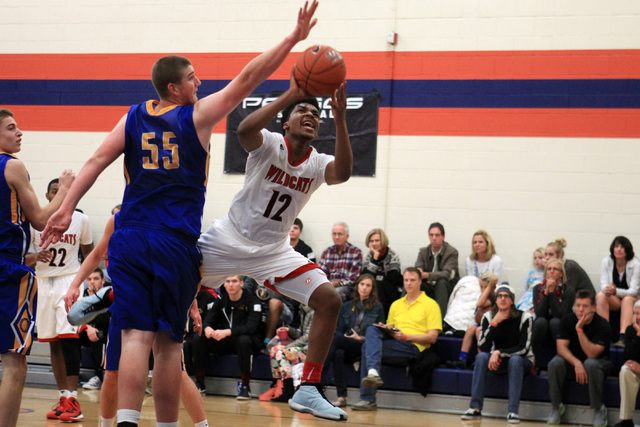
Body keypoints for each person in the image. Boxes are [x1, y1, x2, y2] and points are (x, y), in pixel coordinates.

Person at [41, 3, 319, 425]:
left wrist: (63, 209)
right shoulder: (197, 115)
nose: (199, 82)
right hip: (173, 240)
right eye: (192, 78)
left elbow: (96, 160)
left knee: (133, 336)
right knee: (169, 346)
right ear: (175, 88)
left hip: (130, 236)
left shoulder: (132, 116)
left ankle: (127, 421)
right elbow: (247, 79)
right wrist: (291, 40)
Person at [196, 80, 351, 419]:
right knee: (176, 279)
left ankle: (308, 388)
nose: (310, 115)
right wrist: (291, 94)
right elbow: (243, 129)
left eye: (315, 113)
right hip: (229, 238)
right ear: (286, 123)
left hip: (273, 252)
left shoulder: (317, 162)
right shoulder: (269, 144)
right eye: (302, 111)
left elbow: (343, 173)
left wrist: (339, 118)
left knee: (330, 299)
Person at [64, 214, 209, 427]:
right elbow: (96, 254)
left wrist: (192, 304)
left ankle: (202, 425)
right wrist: (75, 283)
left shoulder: (172, 218)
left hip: (159, 297)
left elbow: (183, 269)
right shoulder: (118, 221)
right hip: (130, 299)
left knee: (178, 372)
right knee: (112, 373)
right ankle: (106, 425)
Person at [0, 109, 74, 427]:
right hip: (7, 273)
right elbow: (41, 219)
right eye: (11, 128)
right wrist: (67, 188)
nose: (20, 133)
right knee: (15, 363)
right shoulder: (12, 165)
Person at [29, 178, 94, 422]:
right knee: (53, 342)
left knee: (69, 339)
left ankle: (74, 399)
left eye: (64, 191)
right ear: (47, 196)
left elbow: (89, 253)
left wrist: (84, 285)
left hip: (69, 281)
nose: (60, 195)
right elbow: (21, 256)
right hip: (43, 283)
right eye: (55, 191)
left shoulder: (81, 219)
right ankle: (64, 397)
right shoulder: (33, 222)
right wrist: (35, 257)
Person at [352, 267, 442, 411]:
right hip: (396, 343)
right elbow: (391, 330)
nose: (408, 283)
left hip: (414, 347)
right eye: (406, 280)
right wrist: (387, 328)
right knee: (372, 330)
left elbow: (432, 337)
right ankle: (372, 374)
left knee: (366, 347)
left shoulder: (431, 305)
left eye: (412, 280)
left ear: (420, 282)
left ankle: (368, 397)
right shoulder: (396, 304)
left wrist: (406, 337)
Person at [461, 284, 533, 424]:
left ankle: (513, 411)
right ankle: (475, 408)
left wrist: (499, 353)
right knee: (481, 357)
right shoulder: (489, 317)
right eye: (499, 296)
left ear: (512, 300)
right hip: (498, 359)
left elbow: (523, 348)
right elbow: (482, 345)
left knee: (515, 360)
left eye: (506, 296)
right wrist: (494, 323)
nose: (502, 299)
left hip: (521, 361)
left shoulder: (525, 317)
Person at [546, 290, 612, 426]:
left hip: (599, 365)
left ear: (593, 308)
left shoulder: (603, 325)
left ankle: (599, 409)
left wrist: (580, 329)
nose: (580, 309)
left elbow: (592, 354)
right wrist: (576, 363)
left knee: (590, 363)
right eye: (578, 305)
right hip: (575, 364)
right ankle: (556, 407)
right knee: (555, 363)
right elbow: (561, 348)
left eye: (585, 306)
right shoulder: (567, 320)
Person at [192, 274, 263, 399]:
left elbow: (251, 327)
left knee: (243, 340)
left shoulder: (252, 300)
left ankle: (245, 387)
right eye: (228, 281)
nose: (230, 285)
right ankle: (199, 383)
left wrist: (227, 332)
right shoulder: (222, 300)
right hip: (226, 340)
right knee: (199, 338)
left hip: (248, 340)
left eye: (234, 281)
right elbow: (208, 321)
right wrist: (208, 329)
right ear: (223, 284)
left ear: (241, 283)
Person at [323, 274, 384, 407]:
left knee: (335, 340)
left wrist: (360, 338)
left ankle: (317, 381)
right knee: (337, 351)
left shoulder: (378, 307)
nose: (364, 288)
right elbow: (339, 329)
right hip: (347, 342)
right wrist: (348, 336)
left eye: (368, 286)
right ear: (357, 287)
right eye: (362, 284)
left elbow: (378, 334)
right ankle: (341, 397)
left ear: (372, 289)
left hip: (364, 343)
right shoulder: (346, 306)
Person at [261, 305, 315, 403]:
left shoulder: (314, 312)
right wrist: (289, 330)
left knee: (281, 353)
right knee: (274, 350)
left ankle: (288, 390)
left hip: (311, 351)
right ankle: (277, 385)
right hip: (302, 348)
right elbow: (302, 335)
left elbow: (308, 337)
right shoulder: (303, 310)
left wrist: (289, 346)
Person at [446, 272, 498, 369]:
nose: (483, 290)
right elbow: (477, 319)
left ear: (493, 287)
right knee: (470, 328)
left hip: (494, 328)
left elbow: (480, 304)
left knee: (479, 331)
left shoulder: (496, 297)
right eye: (481, 287)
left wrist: (490, 286)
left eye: (486, 287)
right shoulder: (482, 297)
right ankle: (462, 359)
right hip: (483, 325)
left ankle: (481, 362)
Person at [596, 236, 640, 345]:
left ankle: (623, 336)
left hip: (632, 299)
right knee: (601, 295)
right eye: (616, 246)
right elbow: (603, 284)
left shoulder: (636, 264)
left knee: (627, 299)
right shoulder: (606, 261)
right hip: (615, 299)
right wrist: (608, 290)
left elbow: (634, 291)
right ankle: (604, 333)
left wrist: (616, 292)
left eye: (622, 247)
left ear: (627, 250)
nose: (619, 249)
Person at [531, 258, 575, 366]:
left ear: (561, 274)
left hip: (560, 329)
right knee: (540, 321)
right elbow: (539, 313)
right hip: (543, 330)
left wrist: (551, 294)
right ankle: (532, 359)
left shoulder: (569, 291)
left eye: (555, 269)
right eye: (549, 269)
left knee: (554, 321)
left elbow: (560, 314)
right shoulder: (537, 288)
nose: (551, 271)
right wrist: (546, 293)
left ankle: (562, 359)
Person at [414, 222, 460, 317]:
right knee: (411, 281)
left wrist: (428, 275)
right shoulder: (423, 252)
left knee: (441, 282)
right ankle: (403, 316)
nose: (434, 238)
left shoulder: (452, 252)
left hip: (446, 287)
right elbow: (417, 267)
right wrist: (418, 271)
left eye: (437, 235)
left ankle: (439, 322)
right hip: (429, 285)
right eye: (431, 235)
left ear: (443, 237)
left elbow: (447, 274)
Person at [79, 268, 111, 391]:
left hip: (105, 333)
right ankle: (73, 374)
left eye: (96, 279)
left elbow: (104, 321)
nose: (92, 282)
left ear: (103, 280)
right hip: (88, 330)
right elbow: (76, 317)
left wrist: (94, 299)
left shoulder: (109, 294)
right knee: (71, 335)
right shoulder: (81, 293)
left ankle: (98, 376)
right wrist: (87, 328)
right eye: (89, 279)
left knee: (99, 334)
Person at [361, 228, 402, 315]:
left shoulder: (392, 253)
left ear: (382, 241)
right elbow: (365, 277)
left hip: (390, 287)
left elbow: (393, 276)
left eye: (377, 240)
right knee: (368, 285)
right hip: (373, 286)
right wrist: (375, 258)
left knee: (379, 284)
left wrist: (377, 277)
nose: (374, 243)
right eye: (372, 241)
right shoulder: (368, 255)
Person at [319, 222, 363, 302]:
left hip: (347, 288)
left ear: (347, 236)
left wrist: (337, 283)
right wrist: (328, 284)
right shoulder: (327, 252)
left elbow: (354, 278)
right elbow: (321, 274)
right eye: (334, 234)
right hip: (328, 286)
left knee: (334, 294)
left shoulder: (355, 252)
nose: (336, 237)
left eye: (340, 234)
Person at [616, 299, 640, 427]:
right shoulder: (631, 330)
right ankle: (626, 420)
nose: (638, 317)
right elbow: (628, 355)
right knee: (625, 369)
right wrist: (639, 335)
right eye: (636, 313)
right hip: (636, 370)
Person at [516, 247, 545, 315]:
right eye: (535, 258)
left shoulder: (547, 273)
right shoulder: (531, 273)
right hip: (528, 297)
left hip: (539, 298)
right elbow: (526, 288)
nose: (537, 260)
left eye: (540, 258)